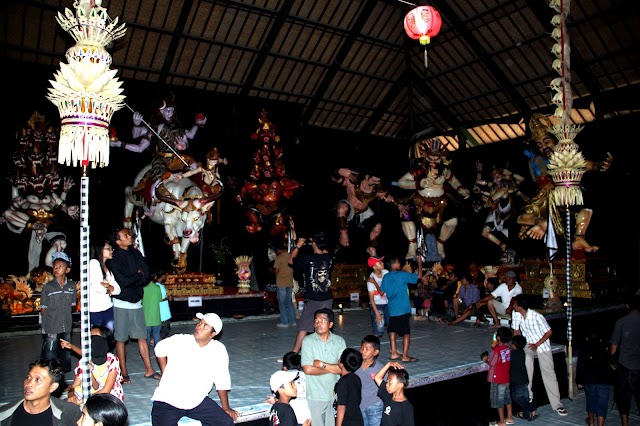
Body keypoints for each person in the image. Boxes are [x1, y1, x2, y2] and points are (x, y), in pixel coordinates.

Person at [151, 312, 239, 425]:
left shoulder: (218, 350)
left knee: (226, 423)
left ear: (213, 334)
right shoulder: (180, 340)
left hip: (197, 400)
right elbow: (159, 349)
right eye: (200, 323)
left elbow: (222, 379)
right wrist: (165, 371)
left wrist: (226, 407)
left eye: (205, 326)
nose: (199, 327)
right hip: (168, 400)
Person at [396, 134, 470, 261]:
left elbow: (454, 181)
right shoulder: (419, 171)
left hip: (440, 204)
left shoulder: (445, 171)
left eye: (436, 159)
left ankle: (440, 244)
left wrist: (461, 189)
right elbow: (401, 182)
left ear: (441, 158)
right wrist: (419, 184)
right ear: (426, 157)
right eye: (430, 159)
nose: (433, 162)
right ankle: (412, 245)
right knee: (406, 216)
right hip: (420, 203)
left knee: (453, 221)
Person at [106, 227, 160, 384]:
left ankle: (149, 369)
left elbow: (147, 274)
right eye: (126, 235)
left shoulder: (136, 253)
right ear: (118, 241)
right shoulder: (114, 258)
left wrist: (135, 278)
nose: (130, 236)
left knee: (142, 337)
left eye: (129, 234)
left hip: (137, 302)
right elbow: (123, 282)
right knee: (121, 339)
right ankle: (123, 371)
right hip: (121, 303)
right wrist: (138, 276)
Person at [511, 294, 568, 416]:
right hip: (527, 344)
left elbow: (549, 332)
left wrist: (537, 344)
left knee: (548, 372)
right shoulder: (515, 314)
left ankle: (557, 404)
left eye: (515, 304)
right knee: (527, 362)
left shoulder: (537, 316)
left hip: (541, 344)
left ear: (521, 306)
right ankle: (528, 396)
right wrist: (516, 344)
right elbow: (516, 331)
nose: (513, 306)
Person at [289, 230, 334, 354]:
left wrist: (298, 245)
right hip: (327, 297)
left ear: (313, 244)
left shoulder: (308, 259)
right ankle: (325, 351)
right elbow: (324, 252)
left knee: (304, 327)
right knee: (325, 325)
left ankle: (294, 353)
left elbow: (291, 261)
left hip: (313, 299)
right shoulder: (329, 258)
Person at [0, 358, 81, 425]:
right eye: (28, 377)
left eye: (38, 380)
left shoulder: (69, 413)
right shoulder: (4, 415)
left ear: (53, 387)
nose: (29, 384)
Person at [302, 308, 346, 426]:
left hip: (333, 395)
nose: (318, 324)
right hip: (315, 395)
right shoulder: (308, 341)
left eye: (322, 320)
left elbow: (342, 368)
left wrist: (322, 364)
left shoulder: (339, 341)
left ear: (330, 324)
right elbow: (308, 369)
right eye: (316, 321)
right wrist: (332, 368)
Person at [61, 326, 124, 405]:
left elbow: (106, 390)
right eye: (90, 336)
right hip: (91, 392)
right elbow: (73, 387)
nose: (91, 340)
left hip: (107, 393)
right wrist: (71, 395)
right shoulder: (84, 361)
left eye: (94, 337)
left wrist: (83, 400)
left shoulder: (112, 361)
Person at [40, 251, 76, 373]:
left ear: (67, 270)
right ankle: (48, 376)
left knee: (65, 353)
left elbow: (72, 305)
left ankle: (63, 379)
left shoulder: (71, 286)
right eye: (55, 267)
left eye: (60, 266)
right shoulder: (48, 287)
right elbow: (43, 308)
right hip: (52, 326)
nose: (56, 269)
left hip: (66, 326)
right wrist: (46, 326)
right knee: (50, 353)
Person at [380, 256, 420, 363]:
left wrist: (374, 282)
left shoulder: (386, 277)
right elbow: (419, 277)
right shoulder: (402, 275)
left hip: (392, 309)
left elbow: (381, 292)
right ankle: (405, 356)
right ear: (393, 265)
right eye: (398, 262)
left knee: (392, 331)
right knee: (406, 333)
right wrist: (420, 262)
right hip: (403, 308)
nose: (399, 264)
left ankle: (394, 353)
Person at [609, 294, 640, 426]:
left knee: (623, 397)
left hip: (625, 365)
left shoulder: (622, 322)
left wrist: (611, 359)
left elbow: (613, 348)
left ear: (627, 306)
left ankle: (625, 424)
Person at [577, 330, 613, 426]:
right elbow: (609, 365)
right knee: (602, 403)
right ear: (600, 339)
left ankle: (592, 423)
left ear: (587, 338)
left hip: (589, 380)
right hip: (603, 380)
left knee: (591, 401)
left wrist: (579, 381)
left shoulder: (584, 349)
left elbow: (580, 366)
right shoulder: (604, 349)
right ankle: (600, 424)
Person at [265, 351, 312, 426]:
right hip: (305, 419)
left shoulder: (276, 408)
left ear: (285, 367)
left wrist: (275, 400)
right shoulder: (288, 411)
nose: (295, 386)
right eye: (291, 383)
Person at [481, 326, 514, 426]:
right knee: (507, 397)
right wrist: (495, 346)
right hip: (505, 377)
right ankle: (509, 417)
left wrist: (486, 360)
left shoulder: (496, 351)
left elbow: (492, 362)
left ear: (498, 337)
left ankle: (502, 421)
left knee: (498, 400)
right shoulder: (507, 349)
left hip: (497, 379)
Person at [89, 240, 121, 331]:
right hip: (95, 310)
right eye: (108, 249)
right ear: (100, 250)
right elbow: (98, 287)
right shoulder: (94, 263)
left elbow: (118, 290)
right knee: (97, 339)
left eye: (111, 249)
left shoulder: (108, 268)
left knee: (109, 338)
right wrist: (109, 288)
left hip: (108, 308)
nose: (111, 251)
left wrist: (107, 286)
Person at [355, 335, 385, 426]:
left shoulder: (379, 369)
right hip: (360, 405)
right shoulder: (356, 365)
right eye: (362, 348)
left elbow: (385, 387)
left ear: (375, 352)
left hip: (374, 406)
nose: (363, 351)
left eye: (367, 349)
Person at [373, 361, 414, 426]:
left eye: (390, 382)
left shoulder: (406, 406)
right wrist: (389, 364)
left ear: (400, 385)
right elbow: (377, 377)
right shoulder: (388, 395)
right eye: (387, 381)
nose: (387, 384)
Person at [510, 335, 538, 421]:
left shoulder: (513, 354)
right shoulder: (522, 353)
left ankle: (532, 408)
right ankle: (527, 415)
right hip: (524, 379)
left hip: (517, 380)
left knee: (517, 397)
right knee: (524, 397)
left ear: (513, 345)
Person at [334, 348, 364, 426]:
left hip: (347, 421)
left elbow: (341, 407)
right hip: (357, 419)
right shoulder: (356, 378)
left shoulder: (343, 382)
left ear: (342, 361)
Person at [366, 256, 389, 338]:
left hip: (387, 304)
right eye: (379, 263)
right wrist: (377, 314)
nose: (382, 263)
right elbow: (371, 299)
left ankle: (393, 348)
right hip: (377, 305)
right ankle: (375, 348)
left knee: (392, 328)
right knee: (378, 330)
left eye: (381, 261)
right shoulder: (371, 280)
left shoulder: (386, 273)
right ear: (374, 267)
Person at [274, 244, 297, 327]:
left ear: (278, 249)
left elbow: (276, 270)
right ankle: (293, 321)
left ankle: (285, 322)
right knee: (289, 302)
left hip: (281, 282)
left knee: (282, 303)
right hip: (289, 282)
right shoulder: (291, 256)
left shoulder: (279, 258)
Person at [142, 272, 163, 349]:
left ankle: (145, 351)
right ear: (155, 277)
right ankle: (157, 351)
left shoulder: (143, 288)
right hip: (156, 317)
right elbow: (160, 299)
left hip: (146, 317)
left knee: (146, 336)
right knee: (156, 334)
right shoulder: (157, 288)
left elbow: (141, 300)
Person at [156, 270, 172, 340]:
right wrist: (168, 297)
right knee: (164, 332)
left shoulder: (154, 286)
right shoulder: (160, 286)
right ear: (162, 276)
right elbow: (161, 298)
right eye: (165, 275)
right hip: (164, 313)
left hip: (158, 312)